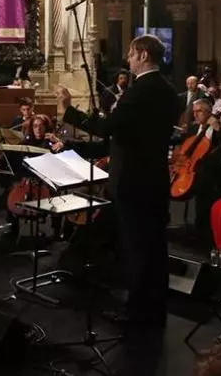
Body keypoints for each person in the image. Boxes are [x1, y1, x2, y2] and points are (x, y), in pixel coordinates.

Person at [58, 34, 180, 327]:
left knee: (135, 247)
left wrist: (69, 110)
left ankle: (137, 311)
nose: (128, 59)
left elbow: (107, 128)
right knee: (155, 245)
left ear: (143, 54)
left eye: (131, 53)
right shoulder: (168, 90)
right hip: (155, 178)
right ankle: (155, 306)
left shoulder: (139, 91)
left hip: (133, 181)